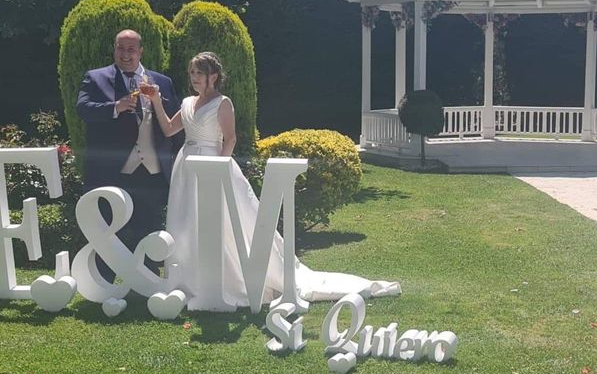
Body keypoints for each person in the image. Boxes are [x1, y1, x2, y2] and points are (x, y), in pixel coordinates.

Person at [147, 51, 400, 307]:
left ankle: (225, 282)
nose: (194, 79)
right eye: (192, 73)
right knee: (187, 219)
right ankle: (188, 280)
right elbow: (169, 128)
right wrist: (156, 100)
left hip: (213, 165)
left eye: (199, 73)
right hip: (187, 166)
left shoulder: (223, 103)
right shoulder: (188, 102)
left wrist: (220, 169)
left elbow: (230, 138)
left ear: (213, 76)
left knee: (218, 222)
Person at [76, 29, 180, 282]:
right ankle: (104, 281)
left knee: (151, 224)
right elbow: (83, 109)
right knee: (110, 226)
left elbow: (175, 124)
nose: (125, 54)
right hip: (114, 169)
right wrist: (115, 107)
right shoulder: (96, 77)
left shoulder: (161, 82)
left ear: (140, 51)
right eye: (121, 48)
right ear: (114, 49)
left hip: (153, 168)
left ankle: (151, 280)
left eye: (131, 49)